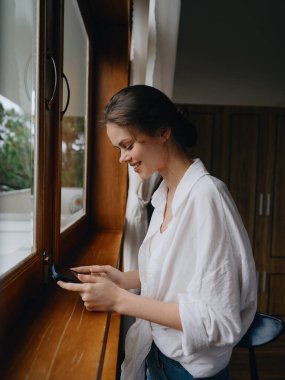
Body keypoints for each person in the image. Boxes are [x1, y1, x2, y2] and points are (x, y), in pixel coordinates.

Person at [57, 85, 257, 380]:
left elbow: (219, 320)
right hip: (158, 357)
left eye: (127, 145)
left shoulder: (206, 197)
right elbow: (184, 271)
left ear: (164, 132)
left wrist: (119, 300)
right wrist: (124, 279)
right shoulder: (164, 193)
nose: (122, 158)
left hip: (189, 372)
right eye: (119, 149)